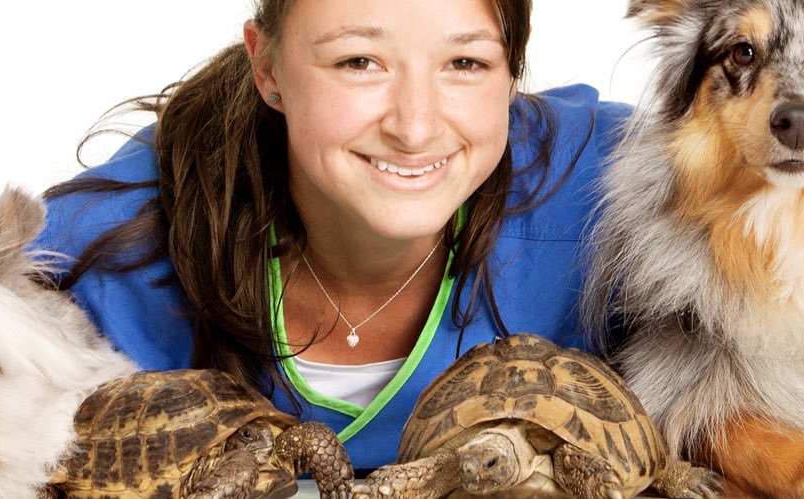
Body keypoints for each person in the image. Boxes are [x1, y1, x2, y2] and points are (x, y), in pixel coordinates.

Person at [34, 0, 627, 473]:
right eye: (358, 61)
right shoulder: (113, 236)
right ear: (266, 68)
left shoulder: (609, 183)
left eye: (465, 63)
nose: (415, 127)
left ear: (512, 74)